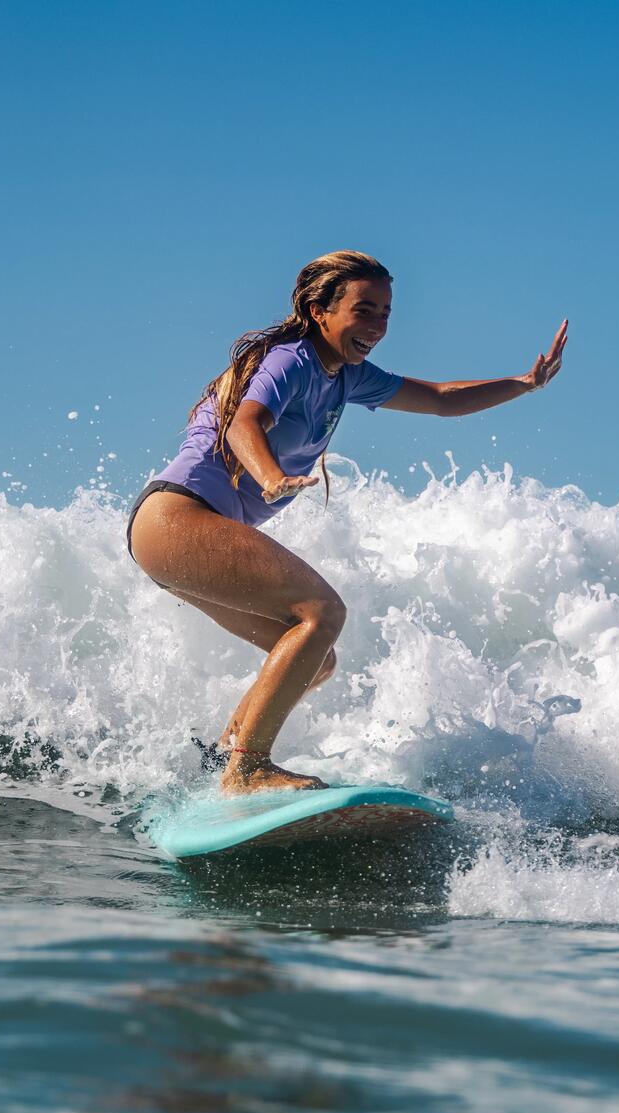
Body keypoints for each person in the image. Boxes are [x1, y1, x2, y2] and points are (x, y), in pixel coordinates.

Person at [127, 250, 567, 794]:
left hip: (171, 536)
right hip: (176, 516)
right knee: (322, 612)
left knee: (316, 659)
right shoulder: (291, 361)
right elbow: (244, 422)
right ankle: (248, 768)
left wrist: (525, 383)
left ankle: (223, 758)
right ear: (320, 311)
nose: (377, 325)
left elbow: (440, 399)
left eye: (385, 313)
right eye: (364, 310)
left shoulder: (347, 377)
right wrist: (270, 476)